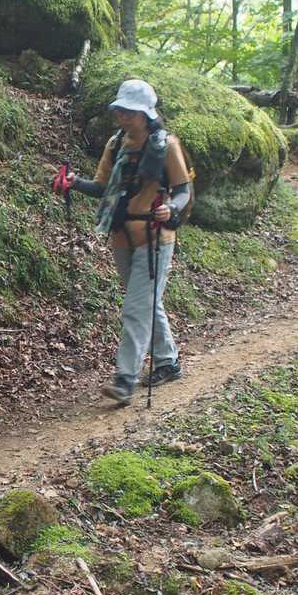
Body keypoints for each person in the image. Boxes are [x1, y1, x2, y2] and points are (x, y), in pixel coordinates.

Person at [61, 79, 191, 406]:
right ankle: (168, 362)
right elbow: (102, 187)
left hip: (155, 237)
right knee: (146, 303)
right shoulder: (115, 143)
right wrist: (74, 183)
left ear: (146, 114)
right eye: (120, 110)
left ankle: (125, 379)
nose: (122, 116)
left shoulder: (167, 145)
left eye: (129, 111)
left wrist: (171, 209)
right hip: (121, 235)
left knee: (135, 307)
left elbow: (183, 190)